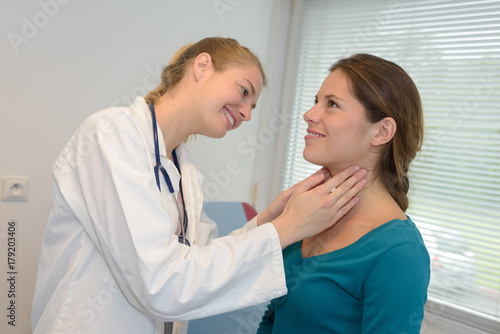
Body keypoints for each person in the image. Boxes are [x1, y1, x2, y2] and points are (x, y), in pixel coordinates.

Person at [31, 37, 368, 334]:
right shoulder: (109, 135)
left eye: (253, 105)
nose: (248, 113)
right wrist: (287, 229)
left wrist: (269, 219)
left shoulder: (185, 171)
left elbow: (198, 262)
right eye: (244, 91)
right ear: (203, 66)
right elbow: (161, 284)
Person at [257, 54, 431, 334]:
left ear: (382, 131)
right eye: (316, 101)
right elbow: (273, 318)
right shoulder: (307, 215)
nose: (310, 114)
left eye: (332, 104)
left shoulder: (399, 253)